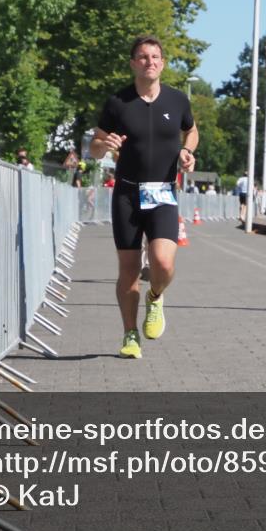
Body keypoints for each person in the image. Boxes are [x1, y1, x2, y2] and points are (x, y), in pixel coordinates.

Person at [90, 36, 198, 359]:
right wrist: (103, 145)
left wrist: (188, 150)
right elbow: (94, 147)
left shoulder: (178, 101)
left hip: (162, 192)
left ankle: (155, 295)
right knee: (128, 269)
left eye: (155, 56)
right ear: (133, 63)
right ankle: (129, 333)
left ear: (162, 63)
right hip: (126, 193)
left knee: (163, 262)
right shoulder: (117, 102)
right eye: (142, 57)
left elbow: (191, 130)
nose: (149, 61)